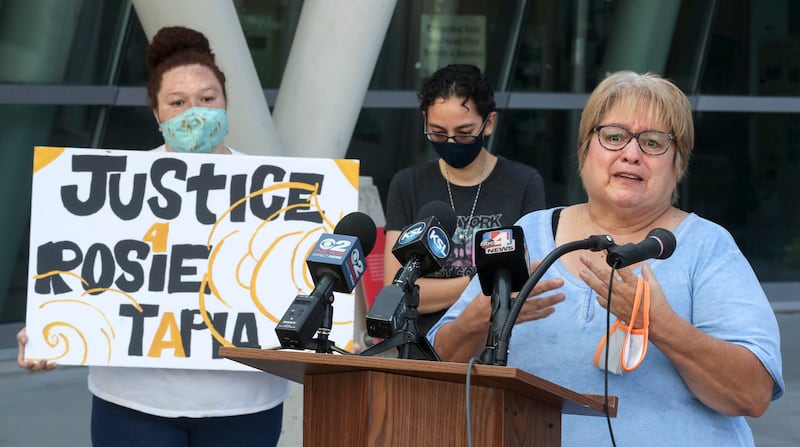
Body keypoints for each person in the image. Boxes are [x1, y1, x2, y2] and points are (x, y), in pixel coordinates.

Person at [428, 71, 784, 445]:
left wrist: (661, 325)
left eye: (652, 142)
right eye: (613, 137)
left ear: (678, 163)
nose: (631, 154)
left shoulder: (707, 246)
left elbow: (752, 393)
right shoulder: (528, 234)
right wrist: (478, 320)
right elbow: (438, 366)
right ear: (585, 149)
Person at [17, 26, 289, 447]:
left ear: (226, 104)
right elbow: (80, 275)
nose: (194, 112)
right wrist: (47, 325)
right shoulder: (110, 188)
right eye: (177, 102)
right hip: (133, 404)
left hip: (245, 404)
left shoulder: (278, 191)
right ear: (158, 116)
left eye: (207, 99)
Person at [382, 64, 546, 354]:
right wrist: (482, 284)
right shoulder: (407, 184)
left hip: (498, 351)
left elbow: (528, 284)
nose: (451, 142)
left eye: (464, 133)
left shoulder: (524, 183)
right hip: (418, 351)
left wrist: (433, 290)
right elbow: (396, 291)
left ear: (489, 123)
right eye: (438, 133)